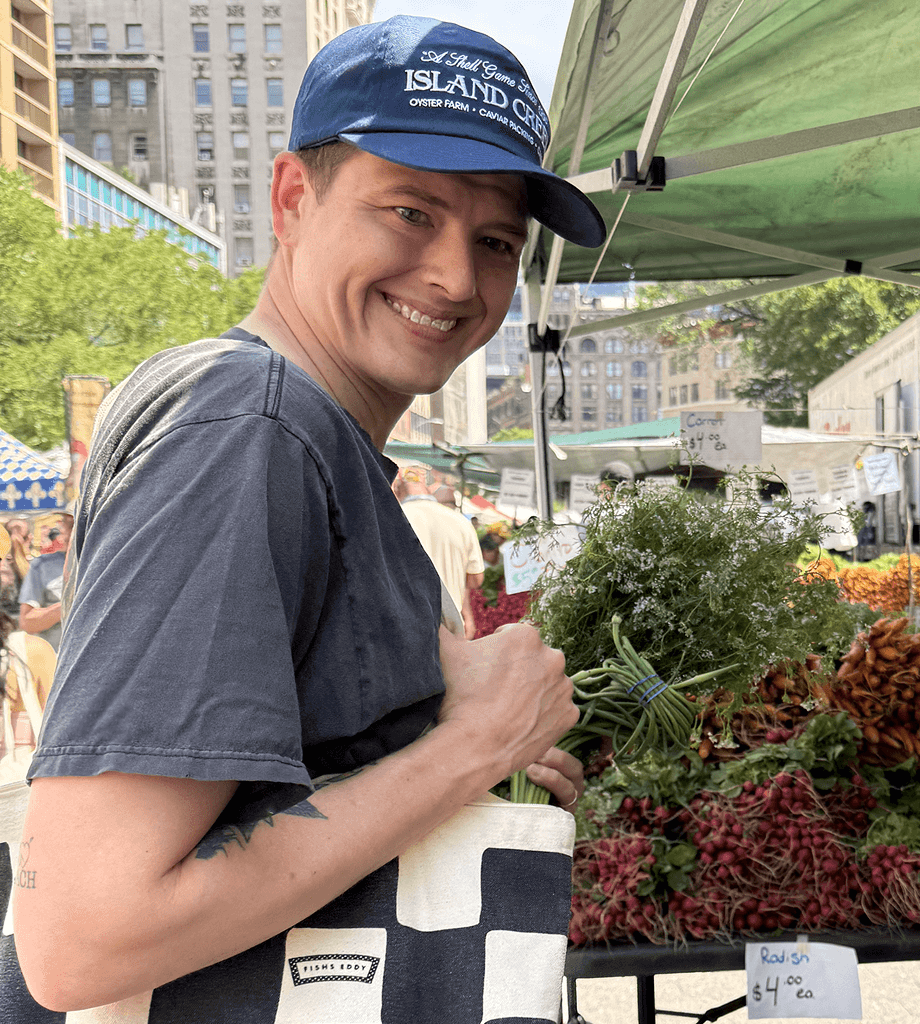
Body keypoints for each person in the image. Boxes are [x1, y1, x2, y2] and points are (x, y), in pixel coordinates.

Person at [11, 15, 605, 1014]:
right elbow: (83, 934)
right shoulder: (251, 427)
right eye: (411, 212)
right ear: (294, 197)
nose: (457, 277)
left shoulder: (300, 439)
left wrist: (453, 738)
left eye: (496, 239)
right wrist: (473, 748)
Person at [397, 470, 486, 639]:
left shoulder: (391, 519)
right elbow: (475, 580)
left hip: (407, 625)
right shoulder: (461, 522)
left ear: (397, 489)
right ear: (429, 488)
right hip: (451, 624)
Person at [15, 510, 70, 654]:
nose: (62, 527)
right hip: (56, 661)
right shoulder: (42, 566)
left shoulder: (105, 563)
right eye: (63, 522)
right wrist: (68, 606)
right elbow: (27, 622)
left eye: (71, 523)